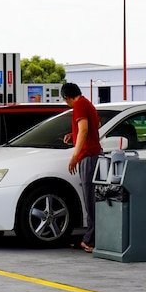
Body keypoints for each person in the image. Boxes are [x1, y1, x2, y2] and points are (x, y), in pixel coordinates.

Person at [61, 82, 101, 253]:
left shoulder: (78, 105)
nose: (66, 103)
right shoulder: (88, 104)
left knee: (89, 198)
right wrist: (74, 134)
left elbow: (84, 130)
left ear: (68, 97)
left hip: (87, 157)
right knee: (91, 197)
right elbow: (96, 126)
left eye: (65, 100)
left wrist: (75, 156)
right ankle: (91, 237)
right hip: (93, 155)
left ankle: (91, 240)